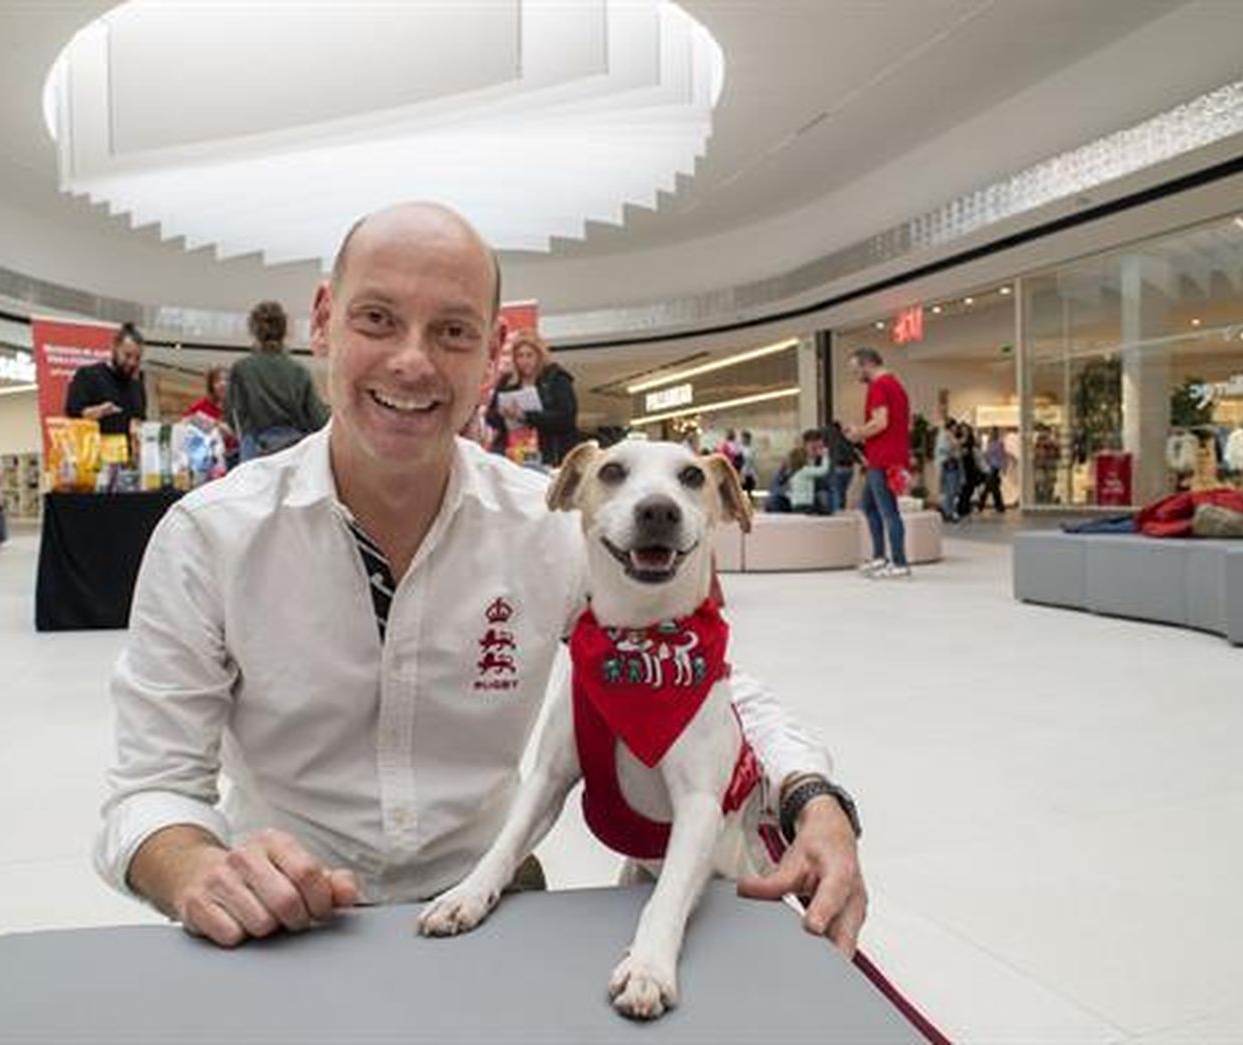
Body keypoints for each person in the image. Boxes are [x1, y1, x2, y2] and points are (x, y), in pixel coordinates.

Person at [96, 202, 866, 957]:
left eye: (453, 331)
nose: (412, 361)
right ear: (324, 320)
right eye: (377, 319)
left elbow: (701, 680)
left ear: (494, 353)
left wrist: (810, 792)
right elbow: (150, 787)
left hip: (494, 903)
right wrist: (195, 868)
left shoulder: (555, 526)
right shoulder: (211, 536)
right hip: (284, 923)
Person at [226, 301, 330, 460]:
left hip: (254, 453)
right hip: (293, 453)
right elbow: (318, 420)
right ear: (285, 330)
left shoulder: (242, 369)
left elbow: (233, 416)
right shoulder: (299, 371)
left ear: (253, 330)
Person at [845, 348, 910, 578]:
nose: (856, 376)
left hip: (882, 459)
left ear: (868, 364)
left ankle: (899, 562)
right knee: (870, 507)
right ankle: (880, 557)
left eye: (856, 370)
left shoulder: (879, 386)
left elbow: (880, 422)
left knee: (888, 511)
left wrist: (857, 433)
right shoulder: (896, 385)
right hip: (889, 456)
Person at [484, 328, 579, 468]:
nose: (525, 361)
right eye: (520, 356)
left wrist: (526, 416)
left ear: (539, 355)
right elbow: (490, 416)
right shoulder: (507, 381)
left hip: (549, 454)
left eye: (529, 355)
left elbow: (566, 417)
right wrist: (504, 414)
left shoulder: (556, 379)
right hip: (513, 451)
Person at [64, 322, 147, 437]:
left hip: (127, 448)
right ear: (114, 348)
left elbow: (140, 420)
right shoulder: (88, 375)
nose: (132, 362)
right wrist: (99, 411)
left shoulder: (137, 385)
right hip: (95, 447)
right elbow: (73, 415)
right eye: (127, 355)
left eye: (137, 358)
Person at [184, 364, 240, 465]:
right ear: (211, 386)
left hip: (236, 457)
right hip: (210, 459)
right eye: (217, 381)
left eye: (227, 380)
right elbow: (185, 422)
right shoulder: (202, 405)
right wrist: (213, 424)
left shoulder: (239, 405)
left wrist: (230, 432)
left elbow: (245, 434)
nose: (222, 384)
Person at [764, 433, 831, 515]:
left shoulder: (821, 461)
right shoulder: (797, 458)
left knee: (823, 496)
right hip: (790, 498)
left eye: (820, 448)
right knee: (774, 501)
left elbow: (824, 484)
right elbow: (778, 483)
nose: (818, 451)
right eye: (814, 448)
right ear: (805, 446)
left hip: (809, 499)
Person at [822, 420, 859, 514]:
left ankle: (837, 514)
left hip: (836, 466)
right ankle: (841, 512)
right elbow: (858, 447)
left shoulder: (827, 433)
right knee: (842, 493)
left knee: (835, 492)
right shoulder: (847, 434)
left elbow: (823, 447)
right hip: (849, 468)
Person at [975, 426, 1009, 514]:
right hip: (989, 467)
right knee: (993, 488)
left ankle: (981, 506)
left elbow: (1003, 456)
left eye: (992, 432)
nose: (990, 434)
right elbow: (988, 455)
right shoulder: (989, 443)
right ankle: (999, 507)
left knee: (988, 488)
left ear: (995, 433)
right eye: (990, 432)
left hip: (995, 468)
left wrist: (1004, 467)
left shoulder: (999, 443)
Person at [934, 418, 962, 522]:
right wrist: (956, 445)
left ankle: (947, 511)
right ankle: (948, 512)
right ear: (951, 426)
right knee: (950, 490)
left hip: (949, 465)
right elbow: (946, 448)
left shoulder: (947, 435)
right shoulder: (945, 435)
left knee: (950, 490)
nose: (956, 428)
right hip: (948, 465)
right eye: (955, 426)